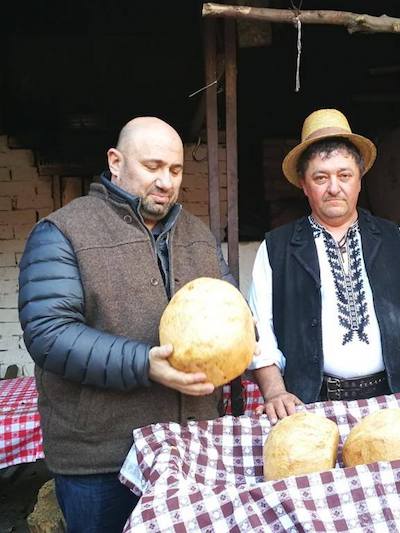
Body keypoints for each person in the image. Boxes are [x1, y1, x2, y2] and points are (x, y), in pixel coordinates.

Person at [18, 117, 237, 532]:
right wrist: (143, 364)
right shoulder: (63, 231)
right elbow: (49, 334)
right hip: (102, 459)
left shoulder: (197, 234)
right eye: (153, 166)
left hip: (191, 448)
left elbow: (231, 308)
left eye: (175, 170)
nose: (166, 181)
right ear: (115, 162)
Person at [248, 108, 400, 423]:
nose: (334, 188)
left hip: (395, 397)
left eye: (344, 175)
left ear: (359, 179)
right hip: (310, 404)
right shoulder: (276, 248)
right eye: (320, 178)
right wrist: (275, 392)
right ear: (304, 184)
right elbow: (261, 330)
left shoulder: (392, 237)